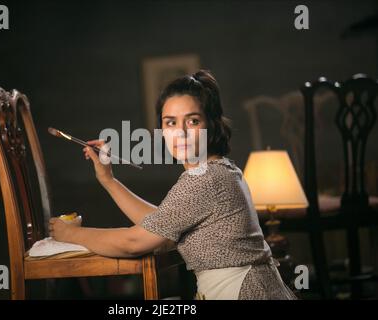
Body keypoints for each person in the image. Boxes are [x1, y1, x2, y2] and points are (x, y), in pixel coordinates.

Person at [49, 69, 297, 300]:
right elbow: (162, 223)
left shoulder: (204, 178)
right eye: (170, 123)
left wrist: (70, 233)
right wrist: (108, 180)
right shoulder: (220, 169)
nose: (180, 133)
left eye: (192, 121)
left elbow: (133, 242)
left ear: (210, 125)